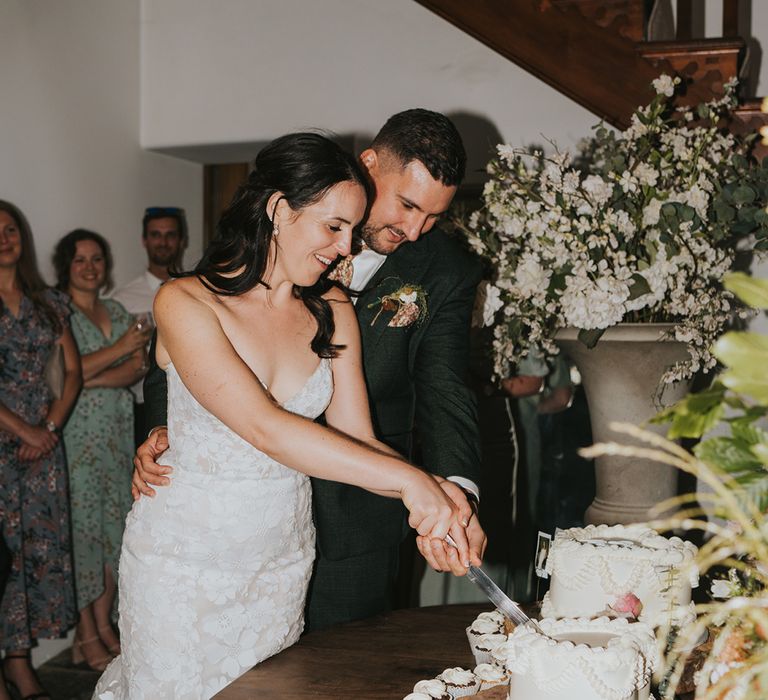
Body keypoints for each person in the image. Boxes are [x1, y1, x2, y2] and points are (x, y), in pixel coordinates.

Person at [93, 132, 472, 698]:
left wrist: (444, 496)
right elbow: (263, 428)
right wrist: (414, 482)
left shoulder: (334, 310)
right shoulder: (185, 302)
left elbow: (356, 436)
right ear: (277, 209)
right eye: (333, 227)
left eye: (352, 229)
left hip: (280, 562)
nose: (346, 248)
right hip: (185, 564)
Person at [53, 229, 151, 672]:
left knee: (116, 533)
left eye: (96, 259)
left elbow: (135, 369)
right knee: (84, 538)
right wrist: (114, 353)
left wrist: (84, 378)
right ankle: (89, 633)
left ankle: (101, 630)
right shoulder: (58, 312)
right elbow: (56, 380)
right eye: (80, 260)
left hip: (116, 434)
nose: (90, 268)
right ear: (65, 266)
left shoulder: (114, 308)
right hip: (77, 439)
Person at [0, 200, 81, 700]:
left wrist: (47, 427)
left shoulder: (48, 301)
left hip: (43, 448)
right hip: (7, 442)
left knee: (35, 555)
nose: (3, 237)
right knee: (1, 559)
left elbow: (72, 372)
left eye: (9, 229)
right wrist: (23, 430)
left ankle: (19, 661)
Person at [111, 207, 186, 444]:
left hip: (188, 405)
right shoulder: (123, 298)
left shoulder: (196, 292)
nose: (163, 242)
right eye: (155, 235)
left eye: (170, 235)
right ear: (145, 240)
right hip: (140, 407)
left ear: (181, 240)